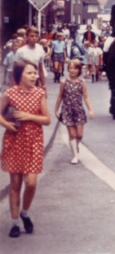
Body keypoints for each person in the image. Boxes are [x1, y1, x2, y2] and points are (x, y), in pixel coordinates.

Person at [0, 60, 51, 238]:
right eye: (30, 73)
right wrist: (7, 124)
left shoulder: (39, 93)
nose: (34, 76)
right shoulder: (10, 93)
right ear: (20, 74)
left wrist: (28, 116)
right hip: (14, 140)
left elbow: (47, 119)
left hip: (33, 141)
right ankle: (15, 223)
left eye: (35, 73)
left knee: (31, 183)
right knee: (15, 184)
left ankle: (25, 213)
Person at [53, 59, 94, 164]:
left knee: (79, 135)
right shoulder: (64, 82)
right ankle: (75, 155)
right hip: (67, 111)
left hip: (78, 110)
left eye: (75, 68)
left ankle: (76, 146)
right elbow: (60, 96)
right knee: (72, 134)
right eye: (70, 68)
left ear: (79, 70)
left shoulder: (82, 82)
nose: (72, 70)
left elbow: (86, 97)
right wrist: (56, 109)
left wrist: (90, 110)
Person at [14, 27, 46, 92]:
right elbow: (15, 70)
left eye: (36, 36)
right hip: (22, 81)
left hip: (35, 80)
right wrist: (14, 85)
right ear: (26, 37)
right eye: (31, 36)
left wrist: (44, 85)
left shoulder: (40, 50)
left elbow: (41, 69)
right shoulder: (20, 51)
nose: (34, 38)